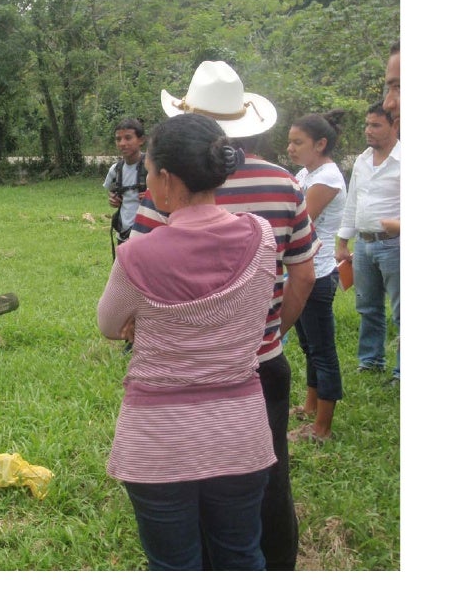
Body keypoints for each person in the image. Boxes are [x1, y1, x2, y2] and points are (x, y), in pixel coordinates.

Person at [130, 60, 317, 570]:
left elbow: (135, 283)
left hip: (182, 371)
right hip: (261, 364)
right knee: (266, 477)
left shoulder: (165, 192)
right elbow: (303, 275)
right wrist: (269, 333)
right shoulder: (285, 184)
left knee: (190, 479)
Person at [98, 113, 277, 570]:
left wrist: (145, 319)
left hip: (158, 441)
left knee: (174, 568)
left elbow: (109, 324)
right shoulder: (261, 237)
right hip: (239, 433)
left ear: (166, 178)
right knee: (241, 556)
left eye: (149, 172)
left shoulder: (135, 254)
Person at [285, 111, 348, 442]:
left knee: (322, 350)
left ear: (320, 144)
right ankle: (310, 408)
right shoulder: (307, 173)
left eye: (298, 142)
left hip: (318, 274)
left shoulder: (327, 179)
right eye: (290, 141)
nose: (291, 148)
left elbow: (300, 222)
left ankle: (322, 428)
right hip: (303, 271)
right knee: (309, 346)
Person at [335, 98, 400, 383]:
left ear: (395, 126)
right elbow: (353, 201)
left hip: (395, 243)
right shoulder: (362, 160)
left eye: (375, 125)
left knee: (402, 309)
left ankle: (402, 372)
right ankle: (371, 361)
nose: (368, 130)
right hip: (363, 244)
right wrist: (343, 241)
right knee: (368, 307)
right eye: (366, 124)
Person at [103, 117, 147, 250]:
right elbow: (112, 193)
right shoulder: (115, 170)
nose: (122, 143)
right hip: (123, 235)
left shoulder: (153, 167)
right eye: (118, 139)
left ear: (141, 140)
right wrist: (113, 199)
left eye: (128, 138)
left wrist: (153, 198)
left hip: (148, 235)